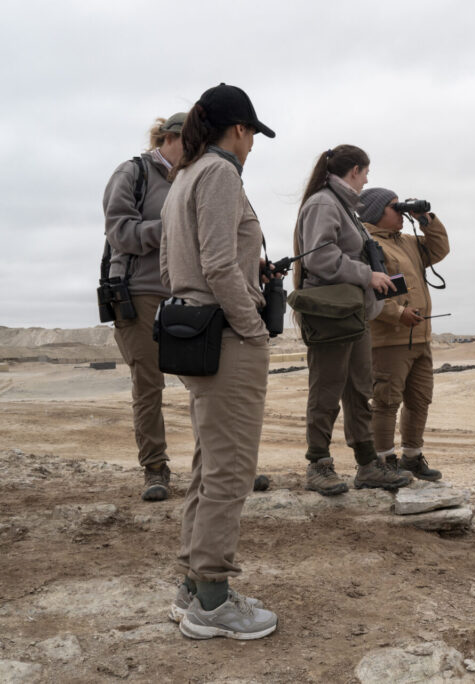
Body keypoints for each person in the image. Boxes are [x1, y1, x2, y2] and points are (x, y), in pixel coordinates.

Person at [159, 83, 278, 639]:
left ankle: (193, 584)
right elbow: (220, 263)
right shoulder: (222, 173)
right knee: (230, 470)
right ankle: (212, 600)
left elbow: (169, 268)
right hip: (227, 334)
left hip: (194, 331)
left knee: (209, 462)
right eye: (253, 134)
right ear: (239, 130)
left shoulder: (182, 176)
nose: (253, 144)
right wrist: (252, 329)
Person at [293, 146, 411, 494]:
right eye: (366, 173)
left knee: (359, 389)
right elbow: (320, 256)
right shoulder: (323, 204)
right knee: (327, 389)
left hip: (353, 313)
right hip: (331, 314)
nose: (368, 180)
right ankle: (318, 465)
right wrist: (367, 275)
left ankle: (366, 465)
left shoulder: (343, 206)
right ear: (355, 170)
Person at [101, 112, 185, 501]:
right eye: (191, 142)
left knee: (206, 381)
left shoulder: (190, 176)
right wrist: (170, 228)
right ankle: (155, 469)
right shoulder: (132, 173)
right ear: (168, 138)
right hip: (138, 293)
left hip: (184, 293)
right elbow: (119, 231)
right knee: (149, 386)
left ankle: (218, 465)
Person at [359, 188, 450, 481]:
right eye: (395, 207)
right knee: (386, 402)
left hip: (421, 336)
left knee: (419, 399)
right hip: (390, 339)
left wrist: (425, 219)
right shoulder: (365, 244)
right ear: (376, 212)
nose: (401, 212)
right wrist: (398, 313)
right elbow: (367, 293)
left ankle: (412, 458)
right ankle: (384, 462)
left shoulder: (407, 241)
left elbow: (439, 250)